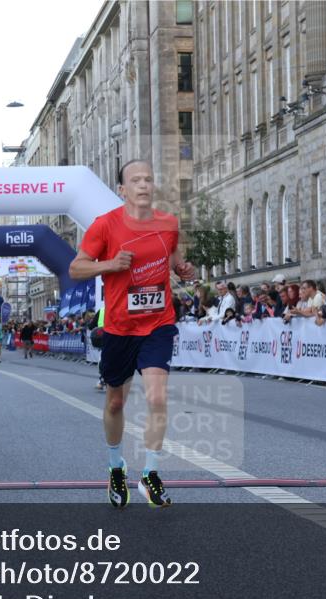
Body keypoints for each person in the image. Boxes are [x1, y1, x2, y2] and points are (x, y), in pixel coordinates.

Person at [68, 158, 196, 508]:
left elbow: (175, 262)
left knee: (157, 398)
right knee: (116, 401)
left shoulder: (169, 224)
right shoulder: (104, 226)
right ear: (122, 190)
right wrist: (109, 264)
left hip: (157, 323)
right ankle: (115, 468)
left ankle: (151, 474)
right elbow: (76, 268)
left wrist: (184, 270)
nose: (143, 185)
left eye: (149, 179)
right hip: (121, 328)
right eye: (136, 180)